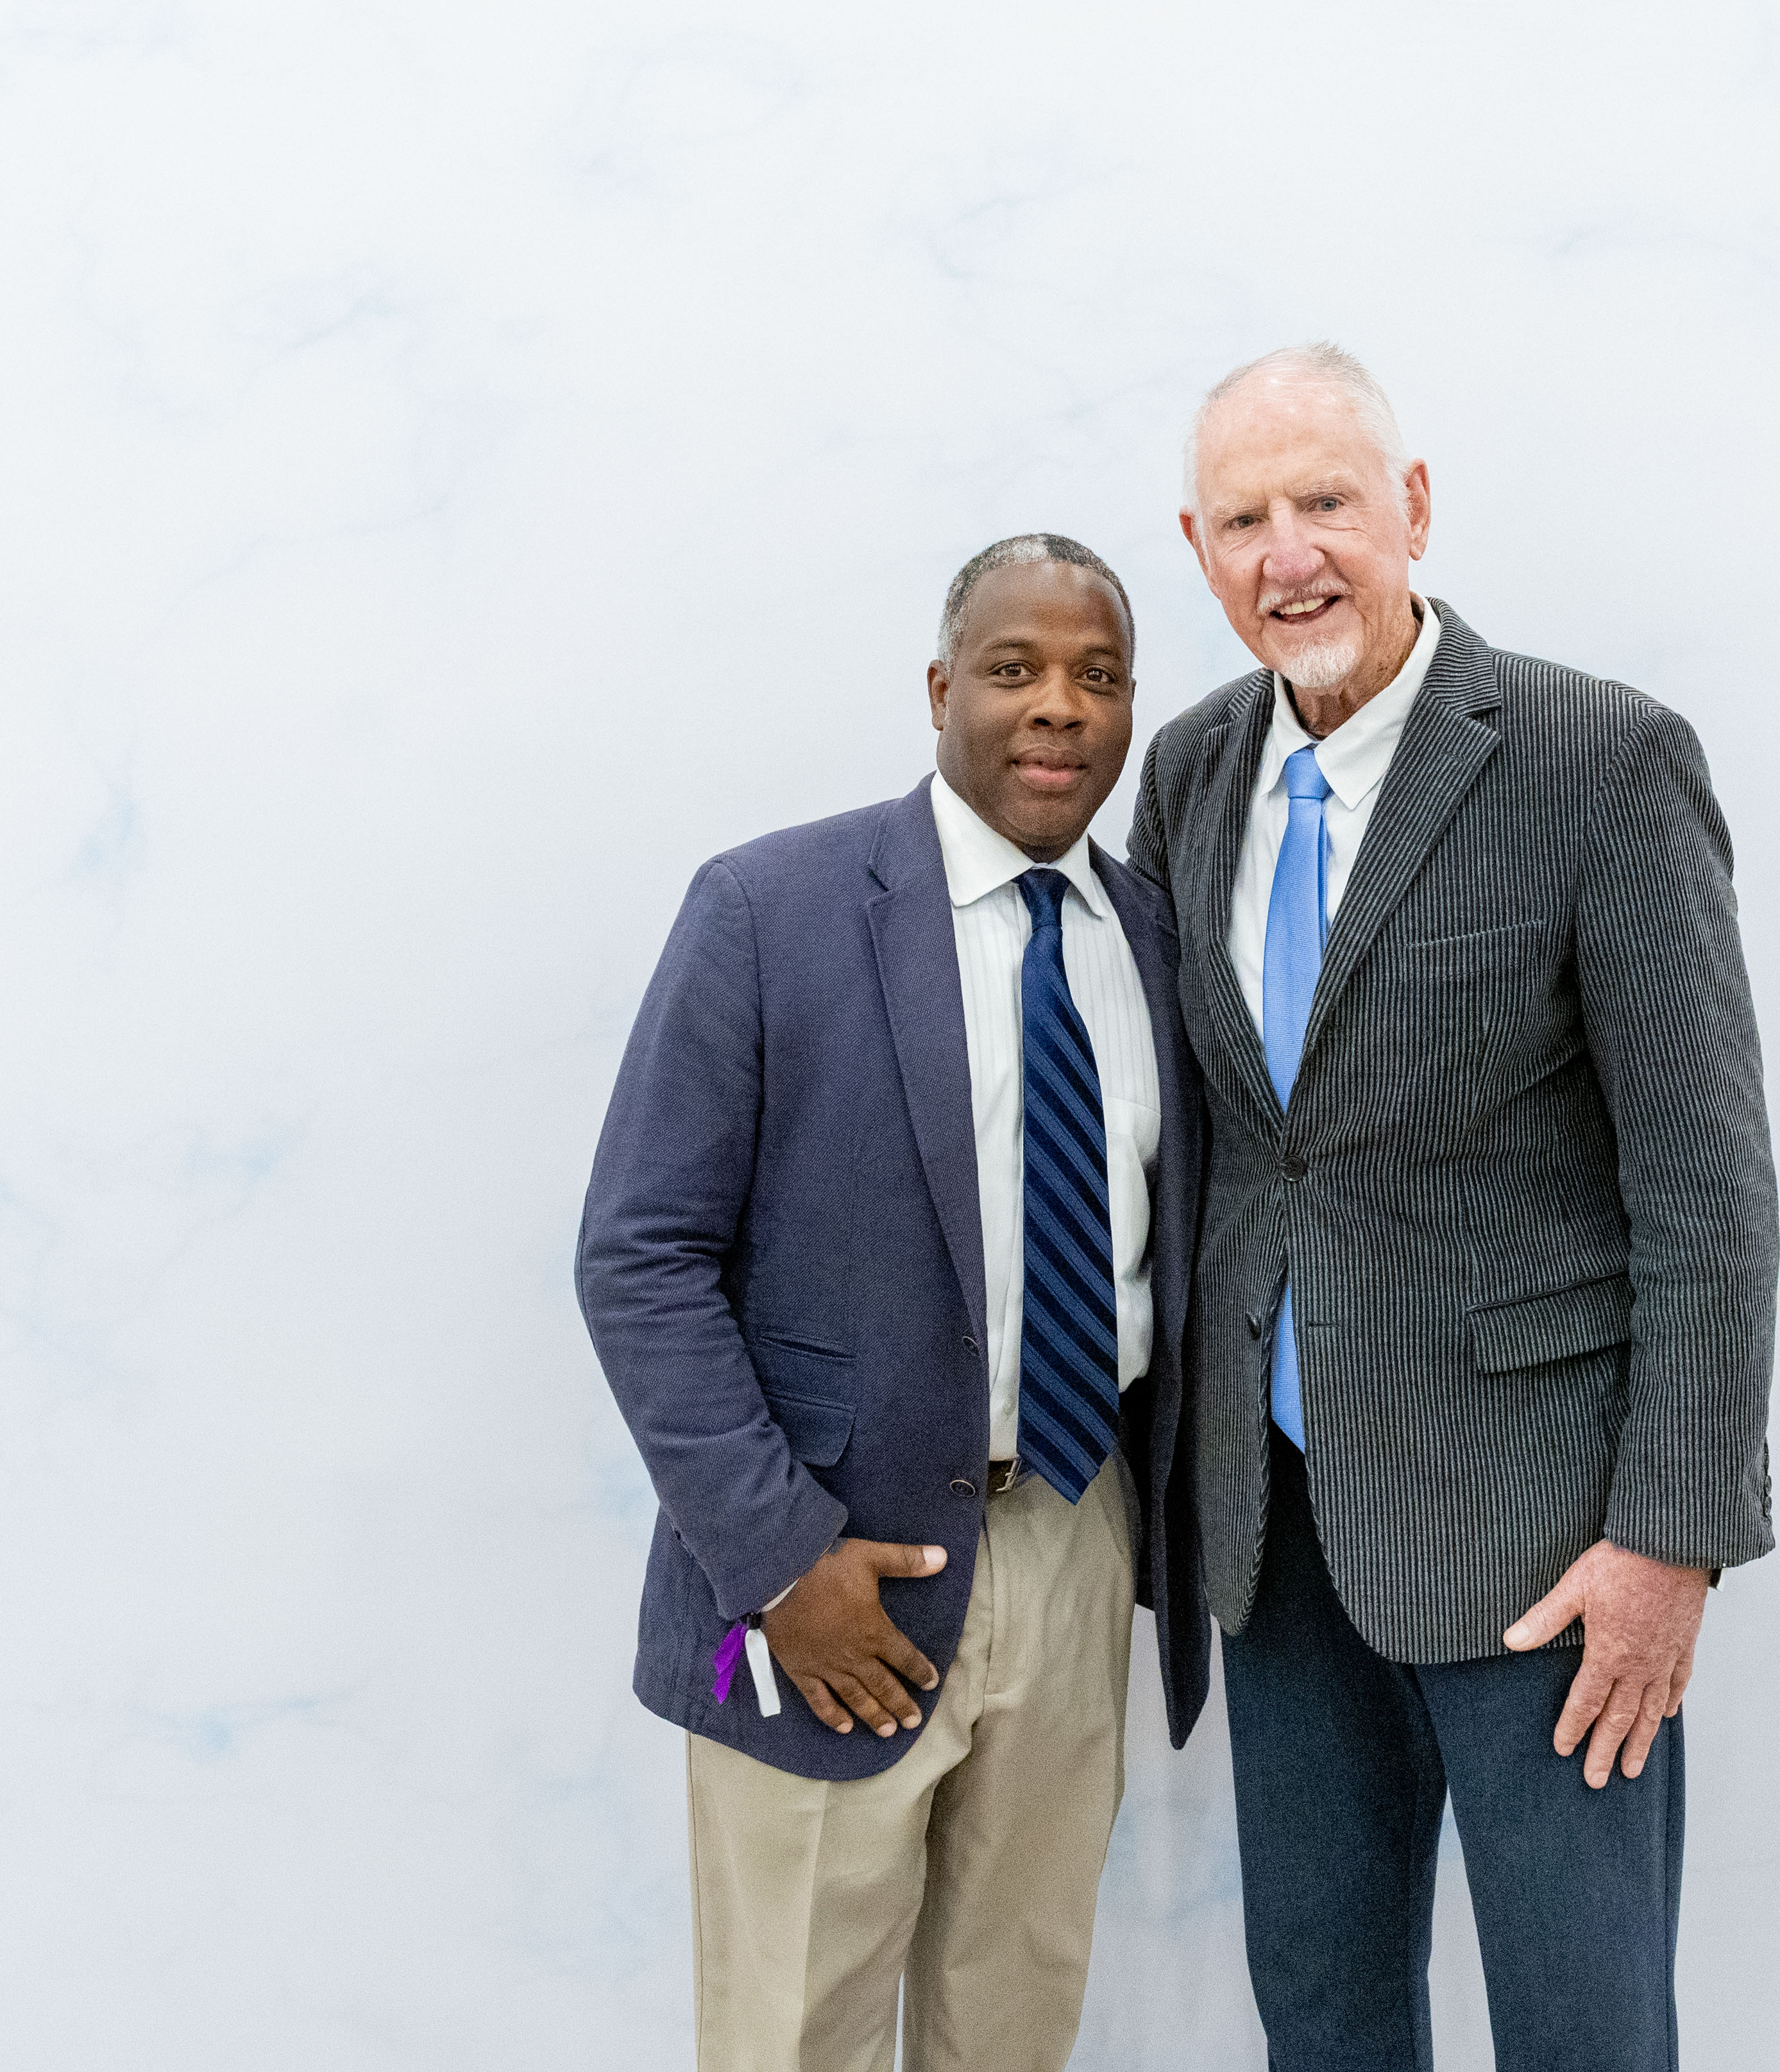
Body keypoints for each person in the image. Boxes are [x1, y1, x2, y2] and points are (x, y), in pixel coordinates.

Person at [1125, 344, 1779, 2070]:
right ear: (1196, 549)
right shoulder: (1185, 777)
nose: (1288, 555)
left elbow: (1704, 1186)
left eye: (1325, 501)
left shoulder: (1597, 759)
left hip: (1545, 1548)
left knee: (1582, 2031)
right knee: (1324, 2019)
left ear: (1410, 507)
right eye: (1243, 520)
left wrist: (1668, 1538)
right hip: (1273, 1535)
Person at [575, 535, 1208, 2072]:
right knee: (794, 2037)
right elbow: (638, 1255)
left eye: (1098, 675)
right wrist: (778, 1560)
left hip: (1072, 1539)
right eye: (1014, 668)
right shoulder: (767, 908)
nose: (1057, 705)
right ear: (939, 688)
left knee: (1014, 2026)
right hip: (825, 1577)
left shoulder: (1157, 943)